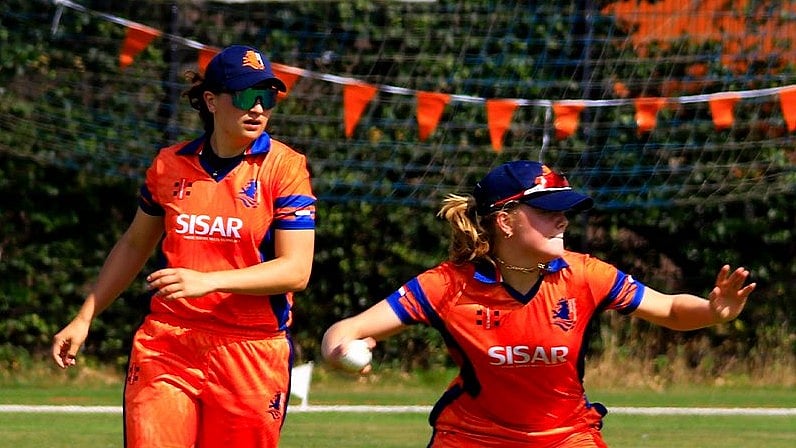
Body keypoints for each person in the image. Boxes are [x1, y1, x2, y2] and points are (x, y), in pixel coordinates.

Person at [321, 160, 755, 448]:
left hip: (568, 436)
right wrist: (339, 351)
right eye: (547, 210)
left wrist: (714, 311)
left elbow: (670, 310)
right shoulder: (447, 285)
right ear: (506, 220)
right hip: (472, 437)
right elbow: (344, 331)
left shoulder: (584, 274)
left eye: (564, 209)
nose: (562, 219)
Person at [51, 45, 316, 447]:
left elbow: (296, 271)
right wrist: (85, 315)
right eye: (246, 96)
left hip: (251, 351)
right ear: (210, 100)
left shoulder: (285, 168)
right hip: (168, 344)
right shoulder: (169, 164)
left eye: (268, 98)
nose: (258, 108)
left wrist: (208, 282)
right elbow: (134, 244)